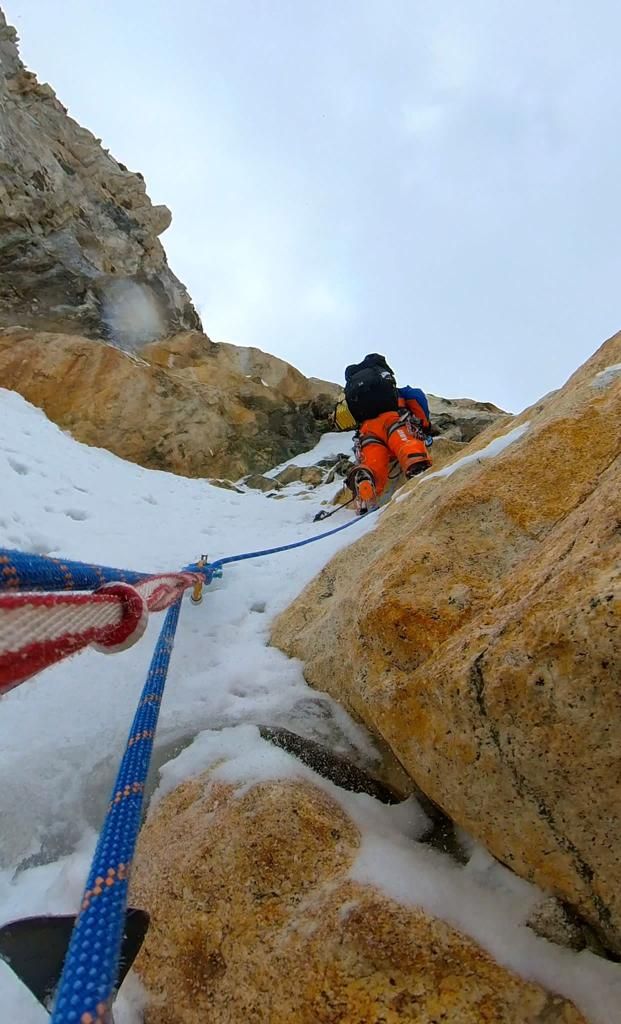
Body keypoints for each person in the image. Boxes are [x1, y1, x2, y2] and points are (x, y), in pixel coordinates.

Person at [341, 353, 433, 512]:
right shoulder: (397, 392)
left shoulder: (356, 393)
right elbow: (416, 396)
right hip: (392, 420)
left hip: (367, 430)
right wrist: (425, 425)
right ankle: (415, 462)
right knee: (403, 441)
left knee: (372, 460)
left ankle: (366, 486)